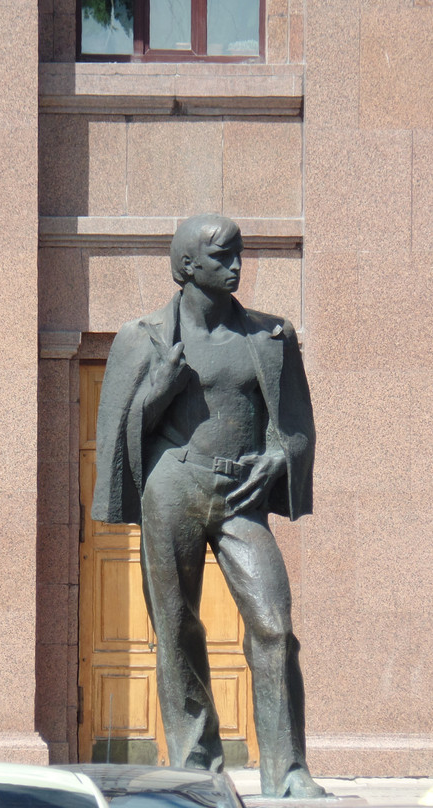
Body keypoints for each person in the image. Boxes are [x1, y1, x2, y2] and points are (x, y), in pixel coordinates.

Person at [92, 214, 322, 798]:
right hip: (174, 485)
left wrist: (278, 457)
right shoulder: (142, 337)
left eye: (239, 254)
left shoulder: (269, 337)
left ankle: (288, 772)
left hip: (242, 495)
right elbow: (117, 433)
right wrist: (158, 390)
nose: (237, 266)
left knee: (274, 626)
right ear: (188, 266)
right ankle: (197, 766)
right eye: (223, 257)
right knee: (176, 627)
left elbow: (295, 424)